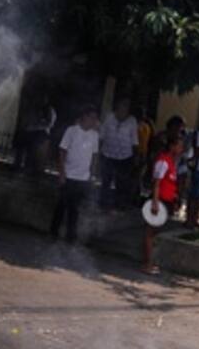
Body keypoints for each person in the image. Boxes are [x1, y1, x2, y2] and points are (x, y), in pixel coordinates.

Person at [49, 107, 100, 242]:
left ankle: (71, 235)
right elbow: (62, 151)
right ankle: (53, 231)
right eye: (92, 118)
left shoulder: (94, 135)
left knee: (75, 207)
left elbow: (94, 156)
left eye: (95, 118)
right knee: (61, 205)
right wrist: (62, 173)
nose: (94, 121)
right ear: (85, 117)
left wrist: (92, 175)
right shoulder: (71, 131)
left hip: (83, 177)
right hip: (69, 174)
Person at [142, 133, 184, 274]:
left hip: (167, 201)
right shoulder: (163, 161)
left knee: (155, 233)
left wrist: (175, 198)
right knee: (150, 233)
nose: (181, 149)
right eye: (179, 146)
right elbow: (157, 183)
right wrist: (155, 203)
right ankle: (147, 264)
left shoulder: (171, 162)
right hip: (159, 201)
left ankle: (150, 262)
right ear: (172, 146)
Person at [98, 99, 139, 208]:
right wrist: (97, 151)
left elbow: (134, 140)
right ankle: (103, 203)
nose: (123, 111)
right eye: (121, 107)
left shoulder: (132, 121)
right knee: (106, 180)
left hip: (125, 157)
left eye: (126, 108)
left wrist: (136, 157)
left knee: (121, 182)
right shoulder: (109, 117)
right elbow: (102, 135)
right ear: (117, 108)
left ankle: (118, 204)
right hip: (107, 154)